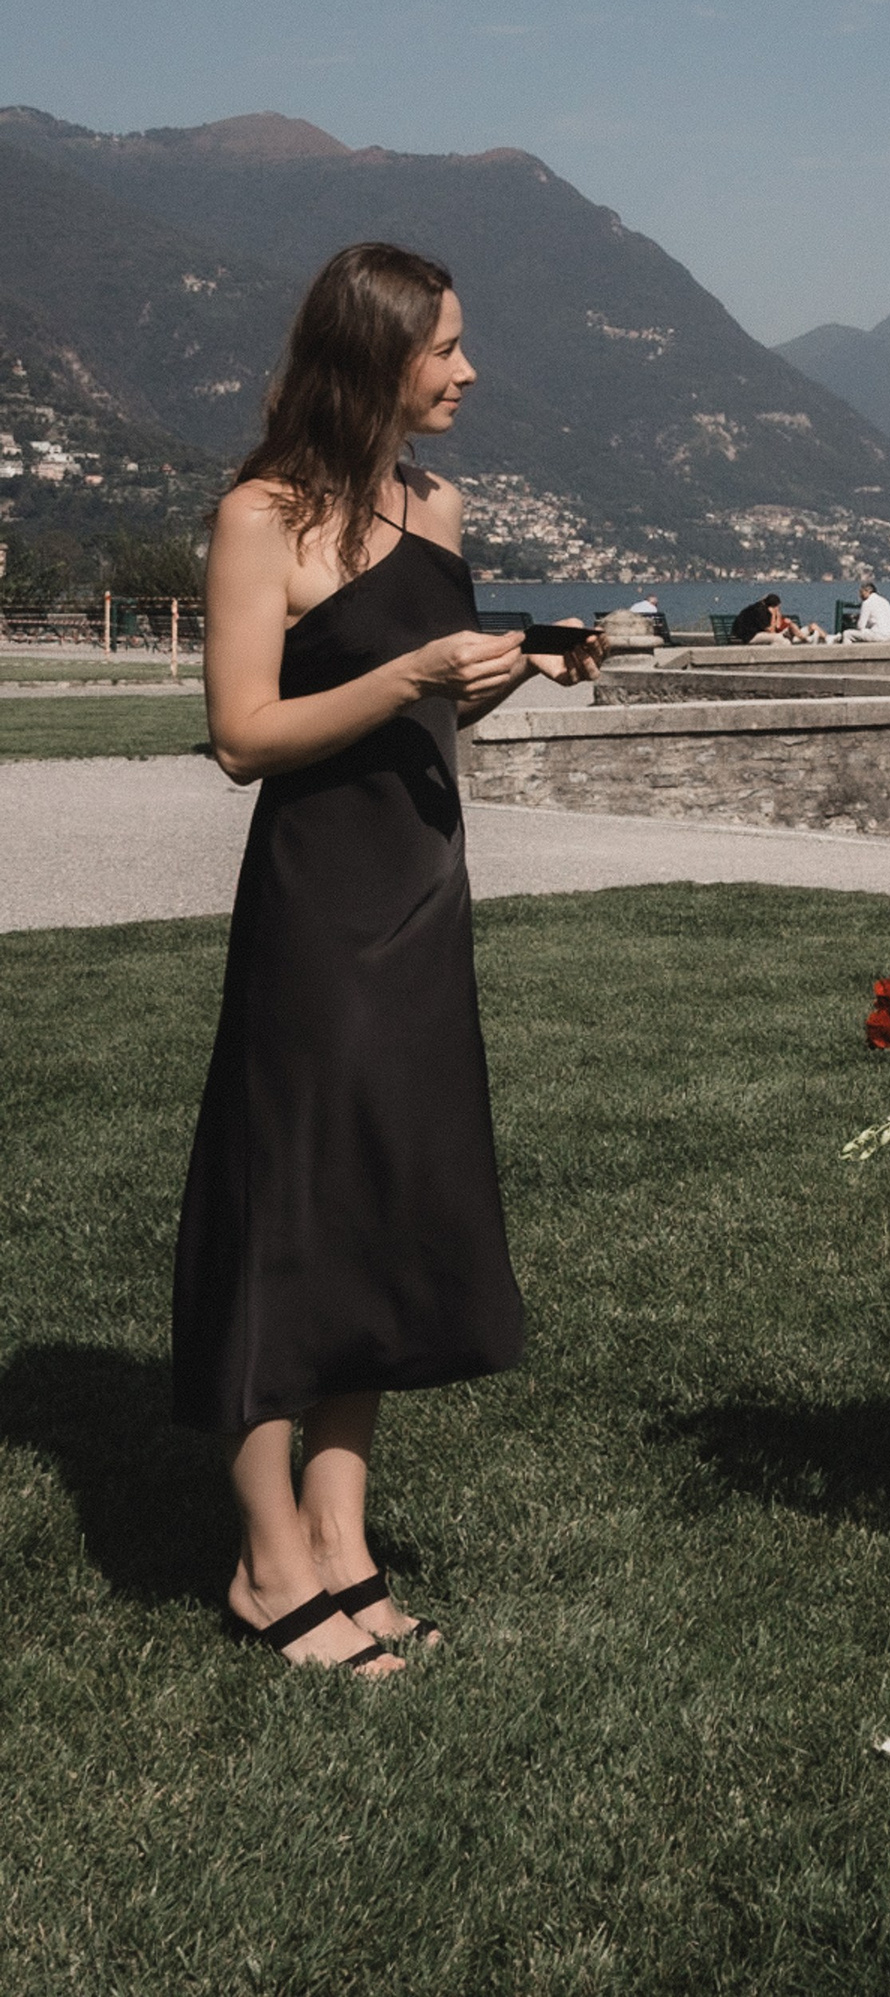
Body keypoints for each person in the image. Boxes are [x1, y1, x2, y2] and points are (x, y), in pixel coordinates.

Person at [175, 244, 600, 1672]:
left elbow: (416, 722)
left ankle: (346, 1539)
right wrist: (412, 671)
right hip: (315, 905)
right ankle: (267, 1558)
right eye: (446, 349)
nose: (469, 371)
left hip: (425, 896)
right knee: (289, 1207)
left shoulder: (438, 508)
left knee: (385, 1211)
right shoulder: (262, 517)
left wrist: (503, 670)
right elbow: (244, 737)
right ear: (374, 357)